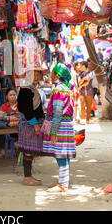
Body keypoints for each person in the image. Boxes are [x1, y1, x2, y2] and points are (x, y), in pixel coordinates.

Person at [43, 63, 77, 192]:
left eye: (52, 73)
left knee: (60, 155)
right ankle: (63, 182)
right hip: (66, 125)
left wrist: (53, 131)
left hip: (60, 125)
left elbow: (57, 112)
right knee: (64, 155)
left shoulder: (58, 90)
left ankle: (63, 185)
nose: (50, 76)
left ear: (57, 75)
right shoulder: (66, 88)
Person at [16, 65, 46, 186]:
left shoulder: (31, 88)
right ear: (28, 75)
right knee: (28, 151)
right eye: (34, 74)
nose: (36, 77)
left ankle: (29, 176)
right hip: (29, 124)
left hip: (31, 123)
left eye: (38, 74)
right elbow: (27, 109)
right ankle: (27, 178)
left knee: (30, 151)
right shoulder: (26, 89)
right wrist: (35, 125)